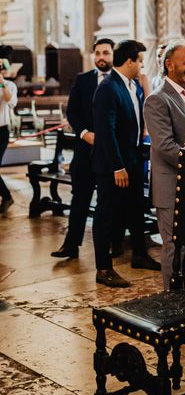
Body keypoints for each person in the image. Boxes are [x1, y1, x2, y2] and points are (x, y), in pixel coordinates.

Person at [92, 39, 161, 288]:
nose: (142, 66)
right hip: (113, 164)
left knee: (135, 210)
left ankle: (140, 255)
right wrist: (117, 167)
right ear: (130, 61)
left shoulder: (132, 85)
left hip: (131, 159)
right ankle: (103, 268)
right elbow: (106, 131)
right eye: (140, 61)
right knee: (106, 214)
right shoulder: (108, 88)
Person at [143, 41, 185, 289]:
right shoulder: (157, 100)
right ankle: (171, 296)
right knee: (171, 245)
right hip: (170, 184)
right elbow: (166, 146)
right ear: (169, 65)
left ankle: (182, 294)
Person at [51, 38, 115, 259]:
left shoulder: (119, 81)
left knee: (108, 201)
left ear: (113, 55)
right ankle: (71, 244)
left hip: (110, 153)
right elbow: (73, 112)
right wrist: (84, 133)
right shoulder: (83, 80)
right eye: (97, 53)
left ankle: (111, 244)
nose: (101, 57)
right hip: (85, 150)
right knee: (80, 198)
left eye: (106, 53)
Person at [0, 47, 17, 214]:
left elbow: (10, 101)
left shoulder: (10, 85)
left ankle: (6, 197)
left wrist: (1, 82)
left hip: (1, 132)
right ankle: (6, 197)